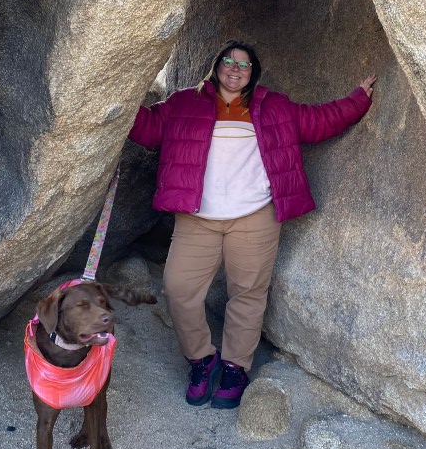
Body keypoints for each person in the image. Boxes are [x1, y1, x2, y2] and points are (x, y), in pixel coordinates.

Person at [129, 40, 376, 409]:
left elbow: (319, 121)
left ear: (252, 74)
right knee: (178, 288)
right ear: (216, 67)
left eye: (243, 65)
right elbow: (148, 129)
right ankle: (202, 360)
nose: (235, 68)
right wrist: (118, 100)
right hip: (198, 218)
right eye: (228, 61)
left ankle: (234, 367)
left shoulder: (273, 106)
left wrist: (358, 99)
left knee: (247, 293)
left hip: (255, 217)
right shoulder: (183, 103)